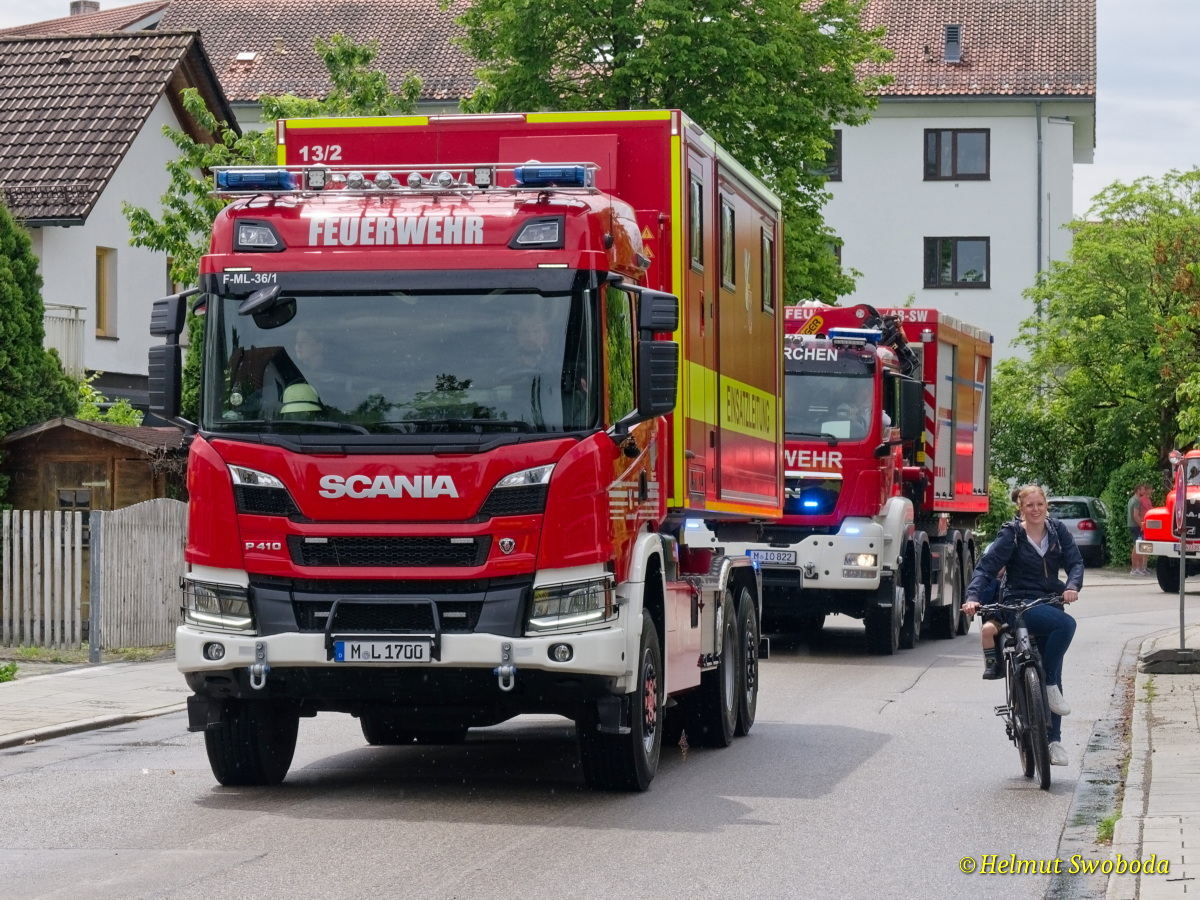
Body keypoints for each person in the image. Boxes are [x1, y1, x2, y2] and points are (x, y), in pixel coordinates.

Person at [962, 484, 1083, 767]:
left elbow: (1075, 563)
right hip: (1017, 603)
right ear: (1021, 508)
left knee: (1053, 666)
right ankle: (1046, 687)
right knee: (1065, 626)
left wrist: (1072, 586)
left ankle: (1054, 742)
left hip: (1049, 600)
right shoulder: (1012, 534)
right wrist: (972, 597)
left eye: (1040, 504)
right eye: (1030, 505)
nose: (1035, 509)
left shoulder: (1057, 531)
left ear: (1046, 505)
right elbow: (986, 567)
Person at [1128, 484, 1151, 576]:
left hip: (1132, 525)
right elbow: (1135, 515)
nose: (1144, 491)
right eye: (1142, 490)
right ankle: (1135, 569)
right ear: (1138, 490)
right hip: (1136, 526)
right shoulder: (1137, 500)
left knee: (1138, 546)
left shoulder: (1131, 499)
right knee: (1137, 547)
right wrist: (1142, 525)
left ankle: (1139, 568)